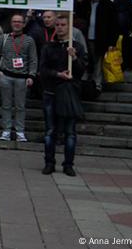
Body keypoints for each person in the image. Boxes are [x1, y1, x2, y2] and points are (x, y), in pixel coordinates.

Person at [39, 14, 86, 176]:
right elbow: (43, 70)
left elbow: (82, 70)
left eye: (63, 25)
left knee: (70, 132)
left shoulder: (77, 47)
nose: (59, 27)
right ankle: (49, 162)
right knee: (50, 130)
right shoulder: (48, 47)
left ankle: (68, 164)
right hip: (51, 92)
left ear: (69, 26)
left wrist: (74, 57)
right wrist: (58, 74)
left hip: (69, 93)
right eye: (57, 24)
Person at [0, 13, 38, 142]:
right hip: (6, 75)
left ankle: (20, 131)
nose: (17, 24)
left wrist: (31, 75)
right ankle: (6, 130)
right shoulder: (4, 38)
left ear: (23, 24)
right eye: (14, 21)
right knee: (6, 105)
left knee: (20, 106)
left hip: (22, 78)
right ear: (11, 23)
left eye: (19, 21)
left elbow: (33, 59)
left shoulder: (29, 40)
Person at [75, 0, 119, 94]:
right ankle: (85, 82)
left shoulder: (108, 5)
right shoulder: (85, 4)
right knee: (87, 58)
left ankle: (97, 84)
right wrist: (80, 1)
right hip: (86, 37)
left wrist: (112, 42)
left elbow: (114, 25)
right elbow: (78, 14)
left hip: (100, 38)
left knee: (98, 60)